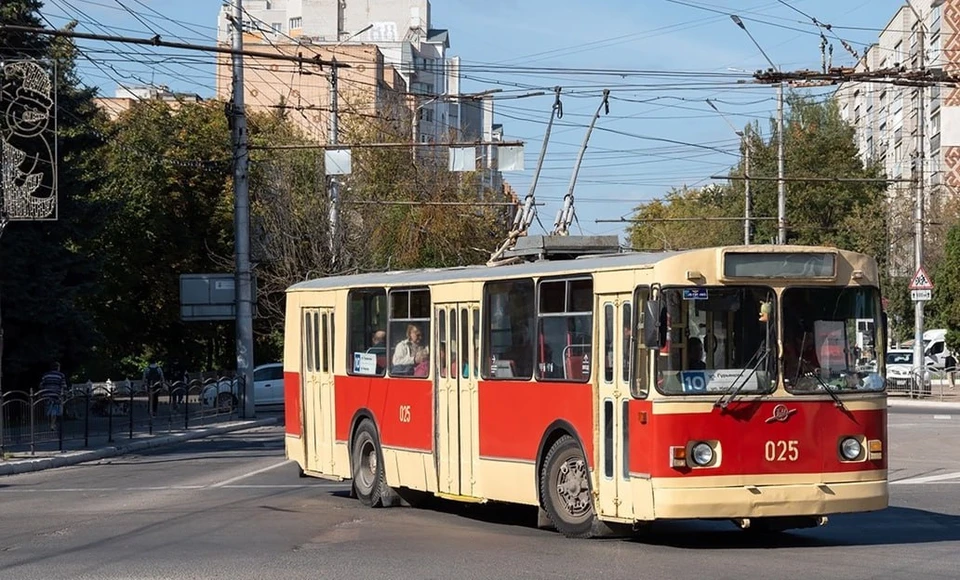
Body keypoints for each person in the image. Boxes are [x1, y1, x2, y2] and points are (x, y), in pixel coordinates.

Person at [40, 362, 67, 431]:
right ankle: (52, 425)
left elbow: (41, 385)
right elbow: (63, 386)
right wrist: (64, 393)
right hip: (56, 394)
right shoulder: (61, 375)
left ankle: (50, 422)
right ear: (58, 367)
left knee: (48, 409)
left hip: (46, 394)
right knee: (54, 410)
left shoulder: (45, 375)